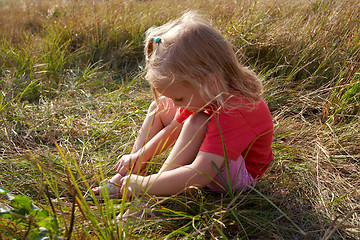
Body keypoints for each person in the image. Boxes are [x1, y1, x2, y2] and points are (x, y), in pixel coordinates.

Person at [92, 11, 273, 198]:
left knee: (196, 121)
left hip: (238, 177)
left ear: (209, 81)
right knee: (161, 107)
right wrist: (140, 155)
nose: (177, 104)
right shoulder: (210, 90)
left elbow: (200, 174)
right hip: (216, 157)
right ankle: (129, 173)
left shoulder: (236, 110)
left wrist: (147, 185)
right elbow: (173, 129)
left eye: (179, 99)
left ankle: (151, 199)